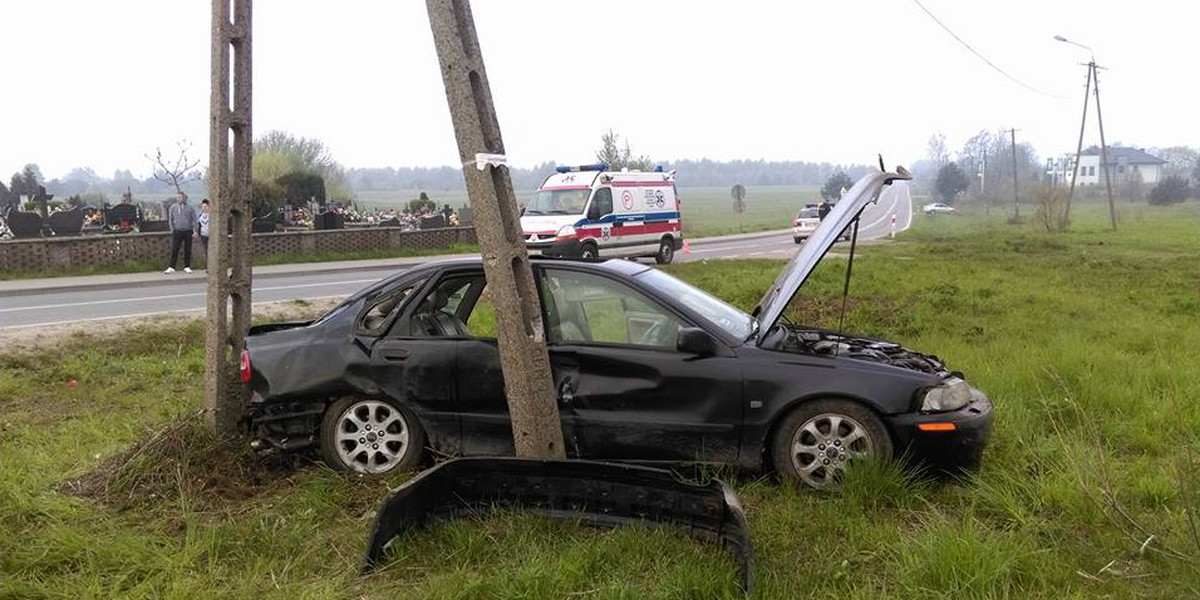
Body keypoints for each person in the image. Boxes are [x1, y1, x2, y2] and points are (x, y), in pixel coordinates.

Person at [165, 191, 197, 274]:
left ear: (184, 198)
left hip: (188, 231)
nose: (179, 198)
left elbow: (194, 220)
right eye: (178, 197)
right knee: (175, 249)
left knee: (188, 249)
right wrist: (173, 230)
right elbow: (170, 219)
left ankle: (187, 266)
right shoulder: (173, 207)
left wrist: (195, 231)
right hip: (177, 231)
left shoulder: (190, 208)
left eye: (180, 197)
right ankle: (172, 267)